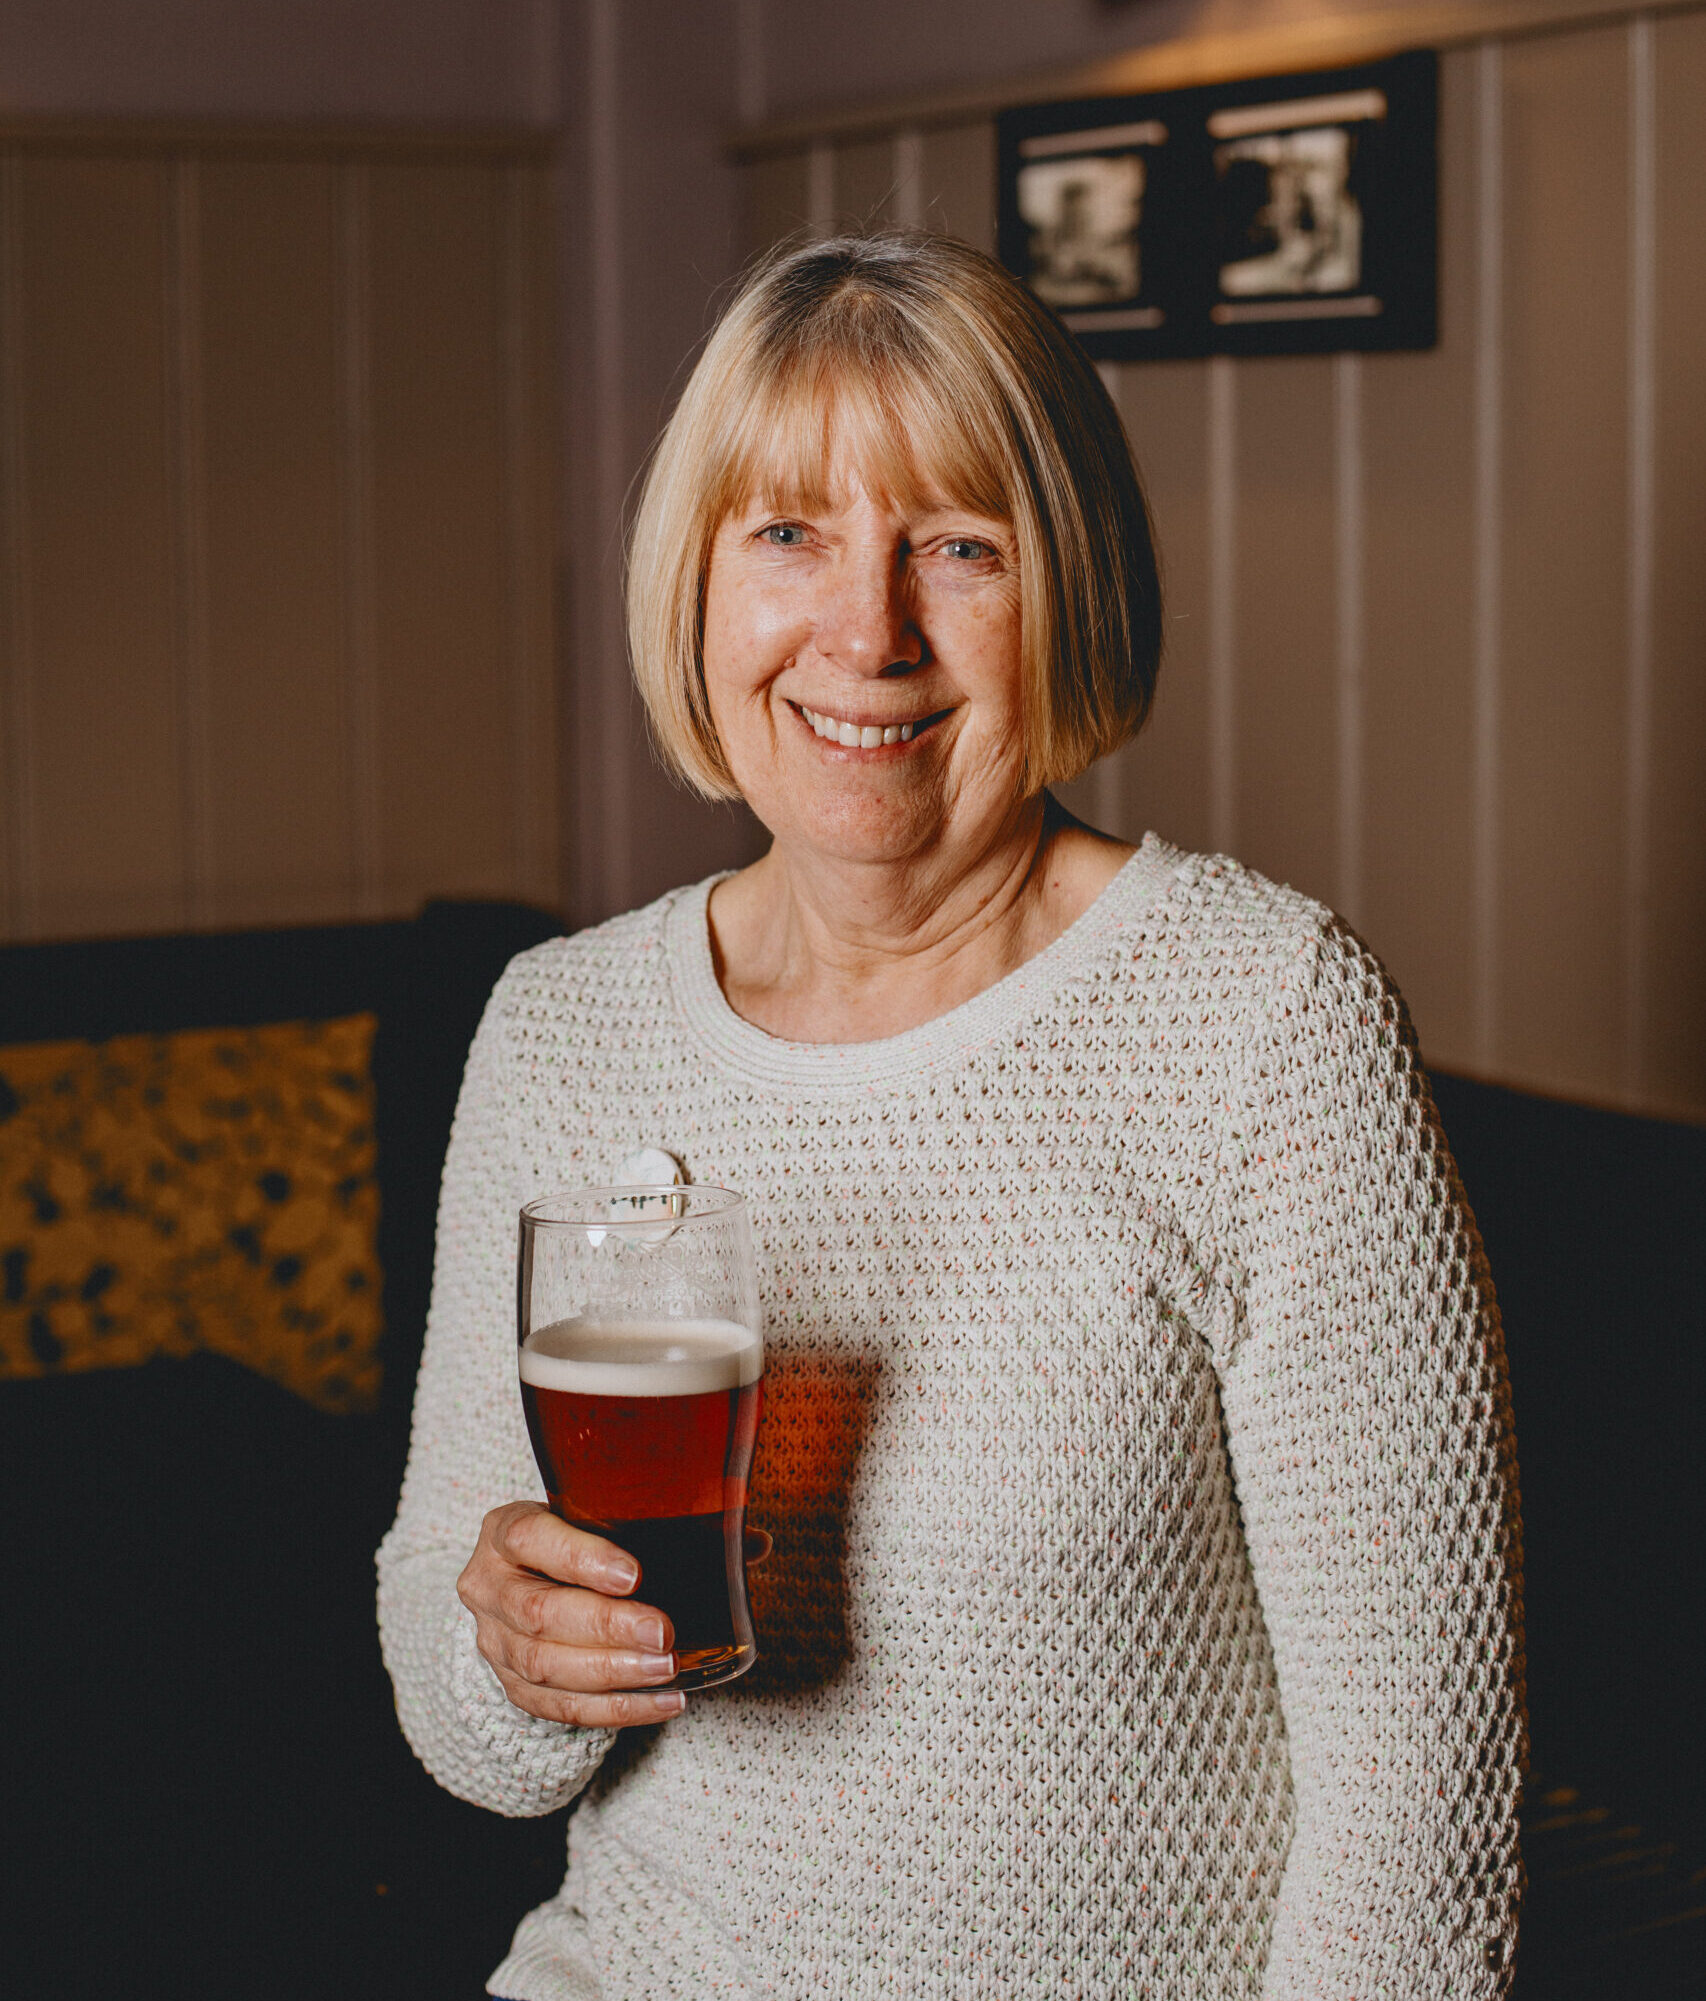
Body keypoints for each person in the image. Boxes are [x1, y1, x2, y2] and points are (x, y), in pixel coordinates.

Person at [378, 231, 1524, 1999]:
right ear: (693, 580)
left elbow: (1420, 1837)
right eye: (786, 534)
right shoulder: (561, 1024)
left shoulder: (1263, 1016)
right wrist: (512, 1654)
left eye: (956, 547)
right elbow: (465, 1730)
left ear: (1069, 585)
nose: (867, 631)